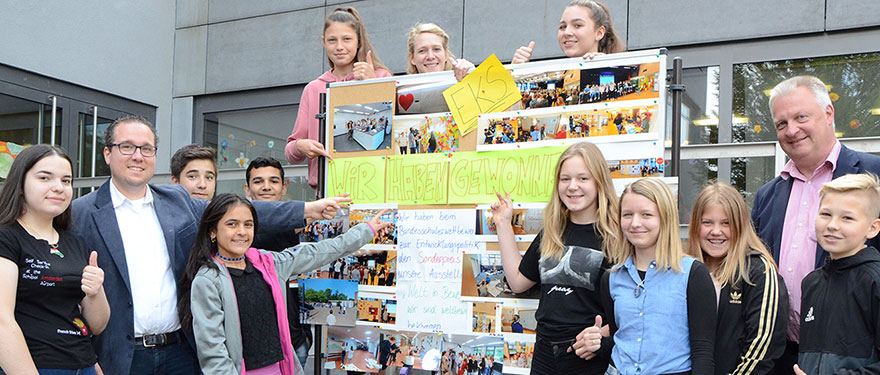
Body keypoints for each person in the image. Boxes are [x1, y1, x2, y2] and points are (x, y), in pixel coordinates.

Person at [70, 115, 347, 375]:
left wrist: (307, 209)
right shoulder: (80, 214)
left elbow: (238, 212)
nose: (137, 156)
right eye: (127, 147)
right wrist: (86, 355)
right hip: (120, 357)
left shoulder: (176, 201)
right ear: (108, 153)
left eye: (146, 148)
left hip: (180, 351)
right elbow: (67, 293)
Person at [750, 76, 880, 375]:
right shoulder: (767, 196)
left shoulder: (874, 176)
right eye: (781, 124)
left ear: (829, 113)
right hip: (779, 358)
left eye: (801, 117)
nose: (791, 130)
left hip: (854, 361)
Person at [179, 194, 390, 375]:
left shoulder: (269, 263)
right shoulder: (208, 280)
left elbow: (320, 252)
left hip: (282, 368)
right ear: (213, 232)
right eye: (231, 224)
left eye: (248, 224)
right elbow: (213, 352)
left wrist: (366, 230)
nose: (242, 231)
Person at [490, 141, 620, 374]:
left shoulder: (616, 236)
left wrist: (603, 334)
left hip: (586, 354)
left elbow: (635, 308)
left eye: (583, 178)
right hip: (544, 353)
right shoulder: (551, 232)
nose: (572, 186)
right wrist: (502, 224)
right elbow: (518, 282)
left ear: (599, 181)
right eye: (565, 179)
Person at [580, 178, 716, 374]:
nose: (635, 223)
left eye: (646, 215)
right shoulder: (611, 278)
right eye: (627, 214)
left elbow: (703, 351)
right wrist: (598, 343)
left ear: (665, 218)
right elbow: (621, 337)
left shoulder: (692, 274)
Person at [0, 145, 110, 375]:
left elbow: (97, 325)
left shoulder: (74, 241)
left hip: (83, 365)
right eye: (44, 178)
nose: (58, 188)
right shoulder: (6, 236)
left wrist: (95, 291)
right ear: (20, 185)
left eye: (66, 181)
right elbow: (2, 322)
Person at [687, 182, 789, 375]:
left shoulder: (758, 271)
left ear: (740, 226)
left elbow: (762, 346)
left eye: (726, 223)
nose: (716, 231)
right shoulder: (684, 270)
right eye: (707, 222)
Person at [285, 7, 392, 190]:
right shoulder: (313, 89)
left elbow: (397, 129)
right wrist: (300, 146)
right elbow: (290, 152)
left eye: (347, 39)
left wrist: (372, 84)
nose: (339, 46)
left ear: (359, 41)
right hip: (326, 194)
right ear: (324, 42)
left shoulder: (381, 77)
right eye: (332, 40)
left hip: (375, 186)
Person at [791, 174, 880, 374]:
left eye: (847, 218)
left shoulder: (874, 280)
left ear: (873, 228)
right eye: (825, 214)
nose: (832, 225)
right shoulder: (812, 283)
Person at [511, 0, 623, 64]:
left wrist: (607, 66)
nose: (567, 32)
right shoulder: (551, 75)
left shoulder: (621, 69)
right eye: (562, 27)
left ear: (599, 33)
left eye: (577, 25)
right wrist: (515, 73)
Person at [405, 23, 474, 82]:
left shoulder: (461, 82)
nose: (430, 56)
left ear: (446, 55)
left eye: (436, 49)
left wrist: (473, 75)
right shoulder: (398, 93)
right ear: (412, 58)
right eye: (422, 51)